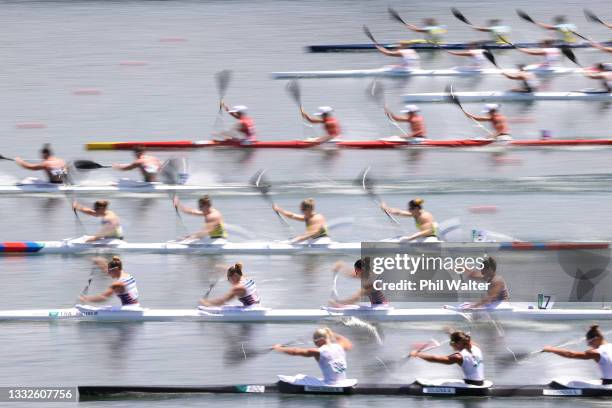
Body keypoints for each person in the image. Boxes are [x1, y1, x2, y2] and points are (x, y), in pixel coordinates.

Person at [272, 328, 353, 386]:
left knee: (296, 378)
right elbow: (347, 342)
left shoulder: (318, 352)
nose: (314, 343)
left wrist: (279, 348)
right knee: (301, 377)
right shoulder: (340, 346)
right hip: (343, 382)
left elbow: (295, 351)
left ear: (321, 340)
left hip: (330, 384)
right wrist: (331, 333)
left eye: (315, 341)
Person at [542, 325, 612, 385]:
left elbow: (571, 354)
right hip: (608, 383)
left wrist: (551, 349)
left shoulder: (596, 352)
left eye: (589, 342)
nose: (588, 345)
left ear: (597, 338)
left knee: (572, 383)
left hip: (608, 384)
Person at [410, 331, 485, 386]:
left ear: (458, 343)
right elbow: (464, 338)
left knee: (429, 383)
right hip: (479, 382)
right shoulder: (476, 347)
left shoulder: (458, 357)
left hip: (471, 384)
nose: (451, 345)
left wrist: (418, 354)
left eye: (452, 343)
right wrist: (450, 332)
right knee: (440, 381)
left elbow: (435, 359)